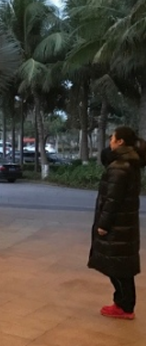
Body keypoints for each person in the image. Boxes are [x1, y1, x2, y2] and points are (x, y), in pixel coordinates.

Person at [88, 126, 145, 320]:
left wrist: (103, 225)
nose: (110, 141)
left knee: (118, 268)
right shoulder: (130, 163)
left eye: (112, 138)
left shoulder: (120, 167)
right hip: (124, 225)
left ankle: (125, 307)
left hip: (117, 225)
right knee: (121, 266)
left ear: (120, 142)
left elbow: (113, 200)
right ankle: (122, 303)